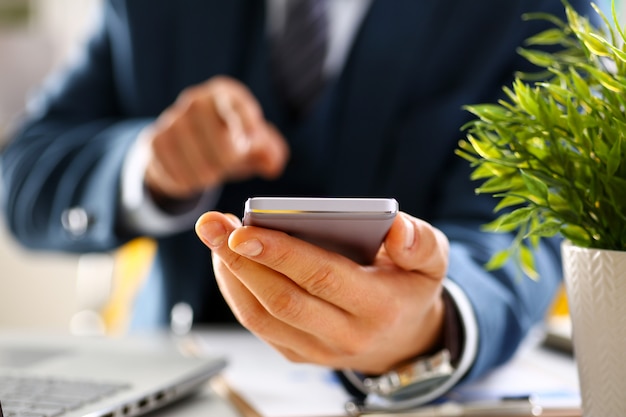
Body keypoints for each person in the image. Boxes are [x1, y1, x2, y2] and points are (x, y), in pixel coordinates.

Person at [0, 0, 601, 411]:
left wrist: (429, 322)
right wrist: (147, 164)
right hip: (173, 393)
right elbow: (22, 176)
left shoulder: (543, 11)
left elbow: (534, 222)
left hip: (406, 405)